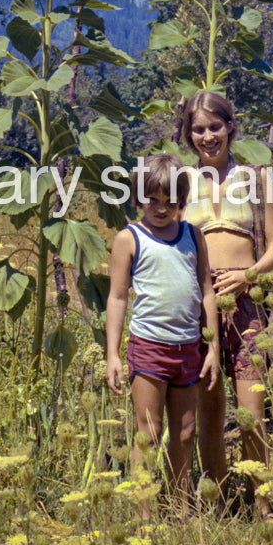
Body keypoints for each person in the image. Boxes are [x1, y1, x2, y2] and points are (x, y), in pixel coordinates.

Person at [180, 91, 273, 518]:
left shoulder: (257, 178)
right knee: (208, 409)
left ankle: (262, 504)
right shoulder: (182, 182)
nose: (208, 136)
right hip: (197, 310)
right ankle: (221, 502)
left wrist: (247, 277)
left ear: (230, 128)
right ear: (189, 135)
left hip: (246, 307)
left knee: (251, 411)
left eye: (215, 127)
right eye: (198, 129)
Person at [106, 153, 220, 514]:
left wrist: (212, 347)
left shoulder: (193, 235)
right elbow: (118, 297)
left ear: (181, 202)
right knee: (149, 431)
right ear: (139, 197)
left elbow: (206, 291)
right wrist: (112, 354)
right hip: (149, 347)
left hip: (189, 349)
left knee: (185, 433)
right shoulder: (129, 238)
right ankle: (143, 515)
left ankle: (179, 507)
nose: (160, 207)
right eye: (152, 199)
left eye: (170, 200)